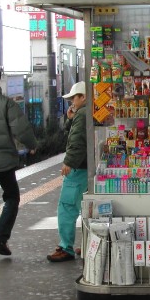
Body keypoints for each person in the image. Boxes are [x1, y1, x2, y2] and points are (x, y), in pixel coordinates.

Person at [0, 63, 38, 261]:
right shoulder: (6, 103)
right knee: (12, 198)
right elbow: (21, 128)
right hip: (4, 162)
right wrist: (32, 144)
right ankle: (0, 238)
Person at [47, 81, 88, 262]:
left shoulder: (82, 114)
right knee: (87, 207)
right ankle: (88, 243)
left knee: (67, 206)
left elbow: (77, 140)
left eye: (74, 97)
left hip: (78, 169)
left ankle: (65, 247)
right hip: (89, 168)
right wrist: (70, 118)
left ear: (83, 97)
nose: (72, 101)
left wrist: (69, 162)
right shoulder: (87, 113)